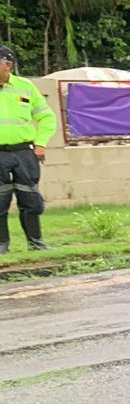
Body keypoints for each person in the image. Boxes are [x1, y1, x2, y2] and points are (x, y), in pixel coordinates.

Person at [0, 45, 57, 252]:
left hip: (24, 152)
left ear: (7, 65)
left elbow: (47, 118)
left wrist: (41, 143)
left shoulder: (25, 87)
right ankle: (2, 245)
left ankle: (35, 242)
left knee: (30, 198)